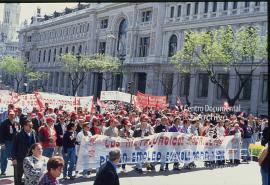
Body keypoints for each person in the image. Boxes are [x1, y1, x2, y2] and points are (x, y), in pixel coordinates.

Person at [11, 119, 37, 185]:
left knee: (29, 176)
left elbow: (35, 144)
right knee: (18, 176)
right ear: (24, 126)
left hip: (31, 158)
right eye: (29, 126)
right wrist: (14, 159)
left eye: (32, 125)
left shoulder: (33, 132)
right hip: (20, 158)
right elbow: (14, 147)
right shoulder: (18, 134)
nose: (31, 127)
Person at [0, 110, 20, 176]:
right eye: (10, 114)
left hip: (15, 142)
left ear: (15, 115)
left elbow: (18, 132)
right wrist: (2, 143)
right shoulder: (3, 123)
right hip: (6, 142)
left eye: (13, 114)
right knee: (4, 157)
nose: (12, 116)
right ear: (8, 115)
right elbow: (1, 134)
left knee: (15, 157)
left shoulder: (16, 123)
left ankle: (16, 171)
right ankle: (3, 171)